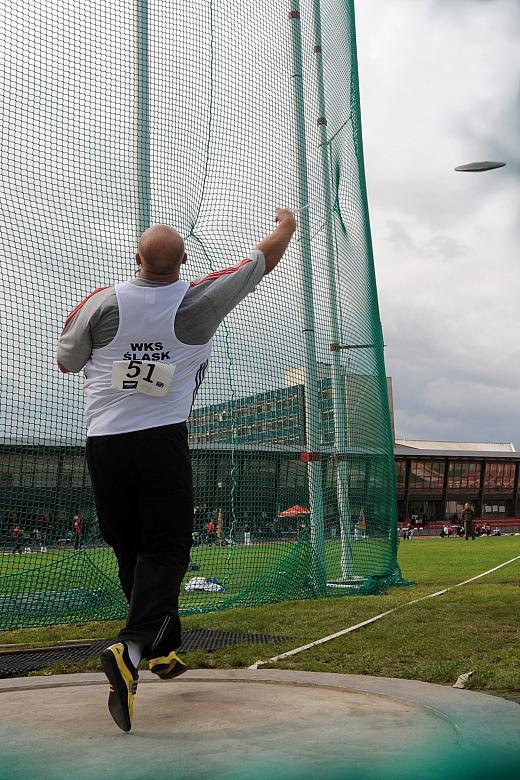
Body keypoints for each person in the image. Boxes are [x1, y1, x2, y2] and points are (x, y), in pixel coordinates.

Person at [56, 209, 296, 731]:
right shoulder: (198, 301)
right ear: (185, 261)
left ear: (136, 259)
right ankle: (133, 648)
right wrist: (286, 226)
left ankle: (161, 647)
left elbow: (67, 362)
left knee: (131, 550)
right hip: (162, 442)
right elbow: (259, 264)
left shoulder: (102, 301)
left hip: (105, 445)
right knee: (166, 550)